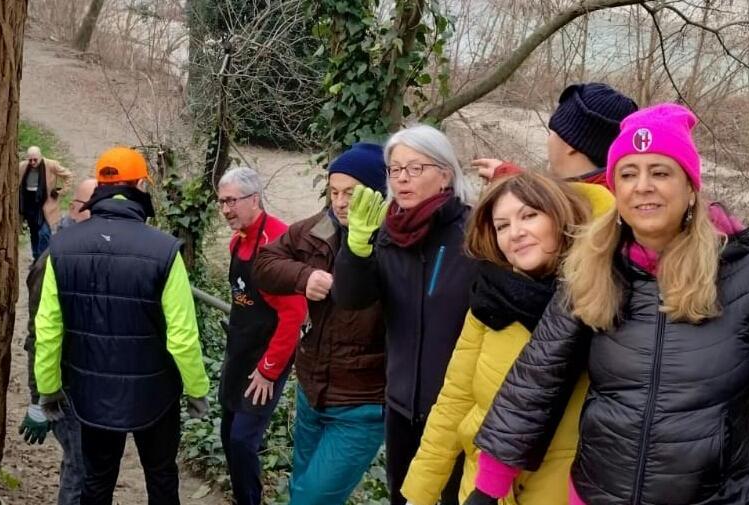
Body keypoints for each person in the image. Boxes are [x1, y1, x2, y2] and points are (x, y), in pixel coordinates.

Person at [469, 104, 749, 505]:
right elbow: (538, 377)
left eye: (660, 172)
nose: (642, 186)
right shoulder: (592, 267)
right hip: (596, 495)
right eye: (628, 174)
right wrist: (487, 489)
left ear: (691, 186)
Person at [401, 172, 592, 505]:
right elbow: (454, 401)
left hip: (559, 491)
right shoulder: (489, 300)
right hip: (481, 493)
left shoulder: (597, 302)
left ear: (560, 215)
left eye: (529, 215)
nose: (515, 233)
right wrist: (419, 493)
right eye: (502, 226)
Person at [34, 146, 210, 505]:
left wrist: (48, 388)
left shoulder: (62, 247)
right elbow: (182, 337)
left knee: (97, 482)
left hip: (90, 391)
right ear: (142, 184)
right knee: (161, 479)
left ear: (100, 186)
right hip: (156, 396)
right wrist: (196, 389)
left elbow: (49, 328)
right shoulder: (164, 251)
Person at [332, 124, 478, 505]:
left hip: (457, 412)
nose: (402, 179)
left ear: (445, 173)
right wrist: (355, 249)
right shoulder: (387, 233)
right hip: (400, 404)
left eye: (415, 169)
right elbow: (351, 298)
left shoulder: (474, 234)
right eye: (395, 170)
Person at [253, 143, 388, 505]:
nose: (341, 202)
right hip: (311, 393)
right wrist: (304, 276)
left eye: (351, 193)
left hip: (361, 404)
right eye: (334, 191)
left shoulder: (394, 245)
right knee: (300, 489)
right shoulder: (318, 228)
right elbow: (264, 263)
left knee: (310, 500)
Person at [217, 166, 308, 505]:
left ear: (253, 199)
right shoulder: (236, 242)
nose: (226, 210)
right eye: (221, 202)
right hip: (238, 352)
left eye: (232, 201)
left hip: (266, 359)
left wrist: (269, 369)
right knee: (228, 434)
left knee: (243, 440)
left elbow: (294, 314)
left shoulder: (275, 245)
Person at [19, 177, 98, 505]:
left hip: (91, 386)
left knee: (88, 467)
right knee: (81, 469)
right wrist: (39, 400)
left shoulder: (92, 251)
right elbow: (39, 333)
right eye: (90, 208)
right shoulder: (55, 260)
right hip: (64, 388)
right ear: (75, 210)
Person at [473, 82, 637, 214]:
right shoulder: (621, 201)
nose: (549, 139)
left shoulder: (585, 213)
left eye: (553, 132)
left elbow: (559, 202)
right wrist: (509, 175)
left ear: (570, 144)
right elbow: (560, 194)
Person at [19, 145, 74, 259]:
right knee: (33, 233)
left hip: (45, 204)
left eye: (35, 160)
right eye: (30, 160)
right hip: (29, 204)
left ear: (41, 157)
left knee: (44, 233)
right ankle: (36, 258)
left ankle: (43, 259)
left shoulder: (51, 165)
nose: (33, 162)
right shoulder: (22, 167)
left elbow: (69, 175)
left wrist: (61, 191)